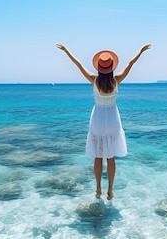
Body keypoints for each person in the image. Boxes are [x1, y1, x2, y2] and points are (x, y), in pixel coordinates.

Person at [56, 43, 151, 200]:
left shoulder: (94, 80)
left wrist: (66, 50)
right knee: (110, 157)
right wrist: (140, 51)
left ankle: (98, 189)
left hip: (98, 119)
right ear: (111, 67)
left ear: (99, 67)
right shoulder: (117, 80)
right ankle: (110, 190)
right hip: (113, 119)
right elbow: (130, 64)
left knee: (98, 156)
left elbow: (78, 64)